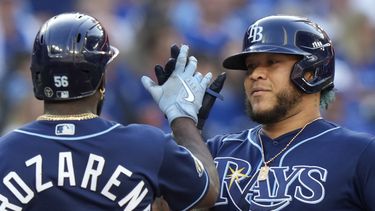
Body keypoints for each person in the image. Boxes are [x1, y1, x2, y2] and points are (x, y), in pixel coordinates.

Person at [0, 12, 219, 210]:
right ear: (100, 78)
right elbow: (209, 192)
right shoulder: (147, 145)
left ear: (37, 76)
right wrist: (183, 120)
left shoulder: (5, 152)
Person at [155, 15, 375, 210]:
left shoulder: (360, 154)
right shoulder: (216, 151)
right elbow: (162, 204)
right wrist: (184, 130)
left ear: (311, 73)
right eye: (251, 66)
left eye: (272, 63)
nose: (255, 75)